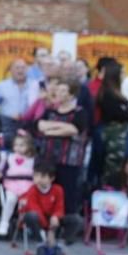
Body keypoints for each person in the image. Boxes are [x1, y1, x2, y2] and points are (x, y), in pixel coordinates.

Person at [34, 79, 88, 244]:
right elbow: (40, 126)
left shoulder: (79, 112)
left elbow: (74, 130)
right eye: (58, 90)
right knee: (47, 190)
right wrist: (60, 128)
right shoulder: (49, 111)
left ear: (71, 95)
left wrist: (52, 129)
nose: (59, 93)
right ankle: (47, 227)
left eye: (63, 91)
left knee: (67, 194)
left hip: (69, 160)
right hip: (48, 158)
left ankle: (67, 228)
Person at [17, 159, 68, 255]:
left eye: (42, 176)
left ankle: (58, 245)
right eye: (36, 176)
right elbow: (34, 208)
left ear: (52, 178)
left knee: (76, 220)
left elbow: (60, 207)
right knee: (31, 215)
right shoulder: (32, 190)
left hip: (52, 219)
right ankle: (42, 244)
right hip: (39, 221)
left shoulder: (58, 189)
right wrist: (48, 227)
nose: (38, 179)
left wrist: (56, 217)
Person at [97, 60, 128, 183]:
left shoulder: (118, 91)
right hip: (113, 133)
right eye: (122, 72)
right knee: (113, 163)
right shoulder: (108, 93)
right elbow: (115, 113)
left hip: (121, 132)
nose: (124, 75)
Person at [0, 133, 36, 238]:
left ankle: (24, 224)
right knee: (10, 200)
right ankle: (4, 222)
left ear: (29, 147)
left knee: (25, 203)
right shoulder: (9, 157)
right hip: (12, 184)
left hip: (27, 185)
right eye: (16, 145)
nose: (18, 148)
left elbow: (36, 173)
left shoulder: (32, 160)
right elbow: (1, 169)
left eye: (21, 145)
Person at [0, 59, 38, 149]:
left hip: (28, 125)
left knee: (28, 152)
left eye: (23, 68)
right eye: (17, 68)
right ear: (11, 70)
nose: (20, 70)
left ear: (27, 70)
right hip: (7, 125)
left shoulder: (34, 85)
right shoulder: (2, 86)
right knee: (7, 151)